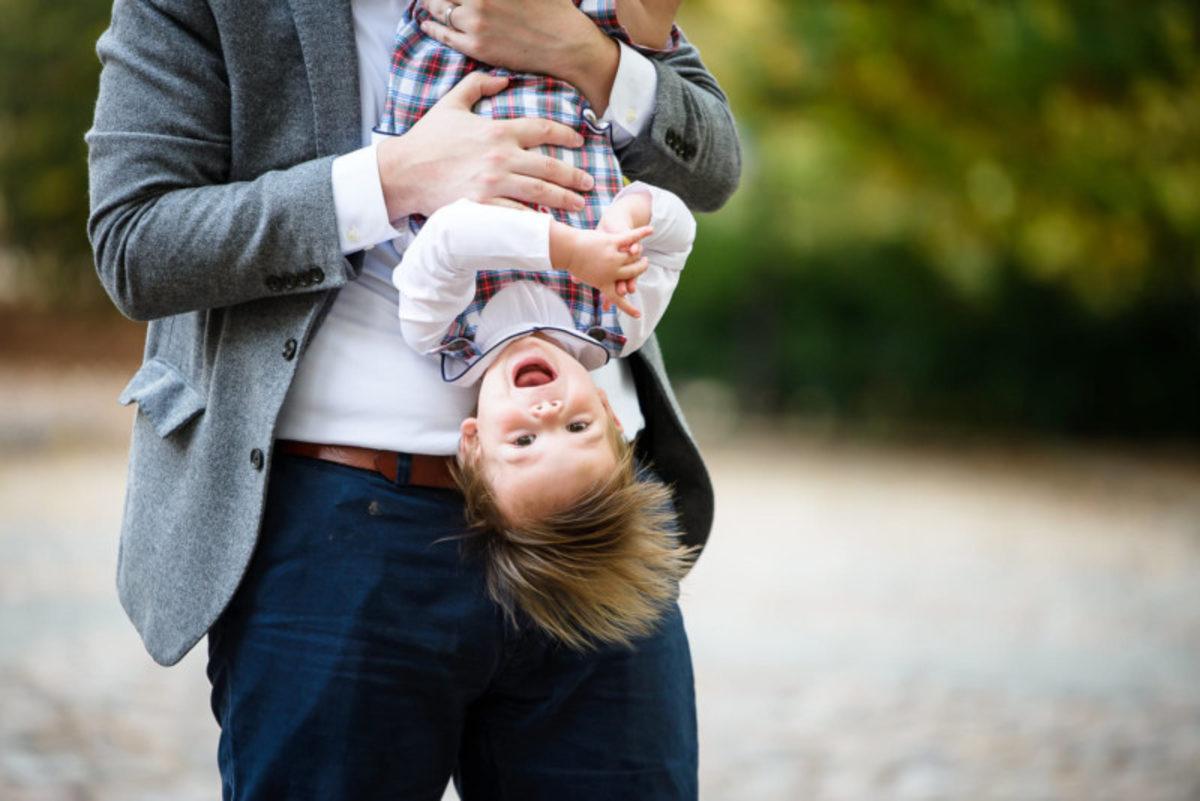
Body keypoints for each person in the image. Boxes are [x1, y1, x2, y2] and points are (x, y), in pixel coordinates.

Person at [86, 0, 740, 798]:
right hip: (334, 533)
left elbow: (711, 167)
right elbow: (137, 241)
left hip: (591, 527)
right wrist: (392, 179)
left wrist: (595, 63)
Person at [395, 181, 696, 649]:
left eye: (524, 442)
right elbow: (678, 232)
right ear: (608, 410)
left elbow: (450, 234)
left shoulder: (439, 329)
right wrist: (629, 218)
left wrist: (572, 250)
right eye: (578, 427)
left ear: (473, 445)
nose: (547, 411)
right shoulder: (618, 318)